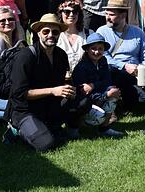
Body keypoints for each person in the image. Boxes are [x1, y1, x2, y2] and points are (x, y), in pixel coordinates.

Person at [5, 14, 87, 152]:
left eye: (55, 32)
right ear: (38, 33)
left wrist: (70, 90)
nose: (51, 35)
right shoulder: (26, 56)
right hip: (24, 110)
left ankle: (68, 130)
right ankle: (15, 130)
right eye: (46, 31)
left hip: (49, 105)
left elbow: (63, 82)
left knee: (83, 100)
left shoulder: (60, 54)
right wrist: (53, 90)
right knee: (46, 145)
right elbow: (18, 94)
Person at [97, 0, 145, 111]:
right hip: (114, 74)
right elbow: (103, 57)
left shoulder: (137, 32)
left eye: (111, 15)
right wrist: (124, 66)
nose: (107, 17)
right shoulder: (101, 32)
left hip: (135, 76)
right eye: (107, 14)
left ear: (123, 15)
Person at [71, 33, 125, 138]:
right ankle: (78, 126)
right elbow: (84, 93)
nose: (97, 52)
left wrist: (94, 85)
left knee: (114, 92)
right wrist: (105, 95)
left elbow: (107, 81)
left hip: (98, 95)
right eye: (93, 48)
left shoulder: (103, 61)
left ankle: (104, 129)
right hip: (84, 102)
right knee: (100, 116)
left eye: (100, 48)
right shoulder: (81, 67)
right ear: (87, 49)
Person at [56, 0, 91, 71]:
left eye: (75, 12)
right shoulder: (55, 35)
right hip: (62, 78)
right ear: (61, 14)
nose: (71, 14)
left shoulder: (89, 34)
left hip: (85, 78)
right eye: (67, 12)